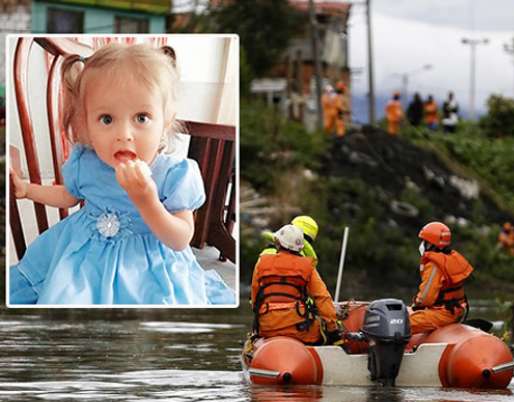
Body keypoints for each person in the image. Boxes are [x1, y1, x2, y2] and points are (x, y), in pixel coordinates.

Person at [8, 43, 235, 305]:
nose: (123, 134)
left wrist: (147, 201)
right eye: (106, 119)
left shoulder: (173, 174)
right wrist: (28, 190)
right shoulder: (86, 162)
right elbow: (67, 196)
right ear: (85, 125)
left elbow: (181, 238)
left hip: (148, 267)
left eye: (141, 117)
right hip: (84, 259)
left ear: (165, 123)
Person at [251, 224, 340, 345]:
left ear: (277, 242)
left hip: (267, 327)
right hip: (299, 329)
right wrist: (332, 328)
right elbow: (322, 297)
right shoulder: (308, 267)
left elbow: (255, 298)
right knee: (324, 333)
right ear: (300, 248)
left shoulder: (262, 262)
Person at [409, 221, 474, 334]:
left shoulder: (434, 265)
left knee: (402, 324)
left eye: (424, 241)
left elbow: (426, 298)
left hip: (443, 314)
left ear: (430, 244)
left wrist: (416, 303)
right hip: (456, 310)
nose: (422, 245)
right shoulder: (448, 259)